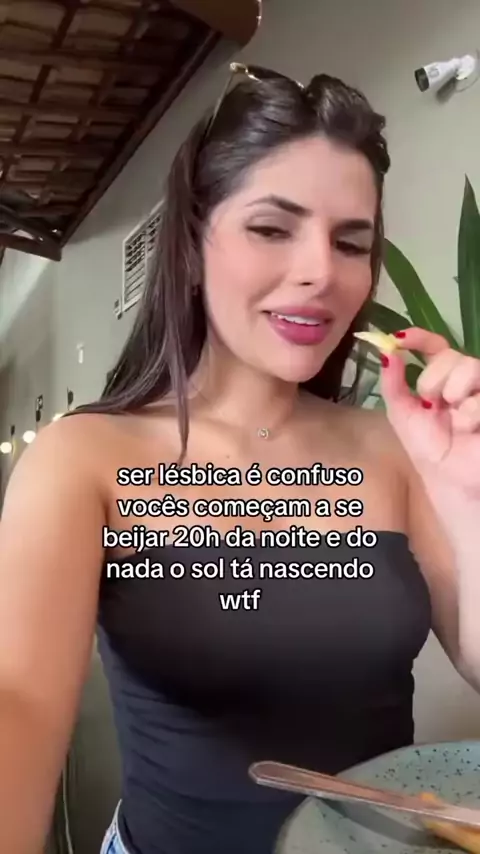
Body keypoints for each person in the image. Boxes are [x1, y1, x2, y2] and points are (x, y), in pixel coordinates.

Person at [1, 61, 480, 854]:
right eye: (271, 228)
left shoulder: (395, 446)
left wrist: (467, 500)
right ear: (194, 241)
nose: (321, 272)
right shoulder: (83, 458)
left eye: (351, 242)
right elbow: (15, 700)